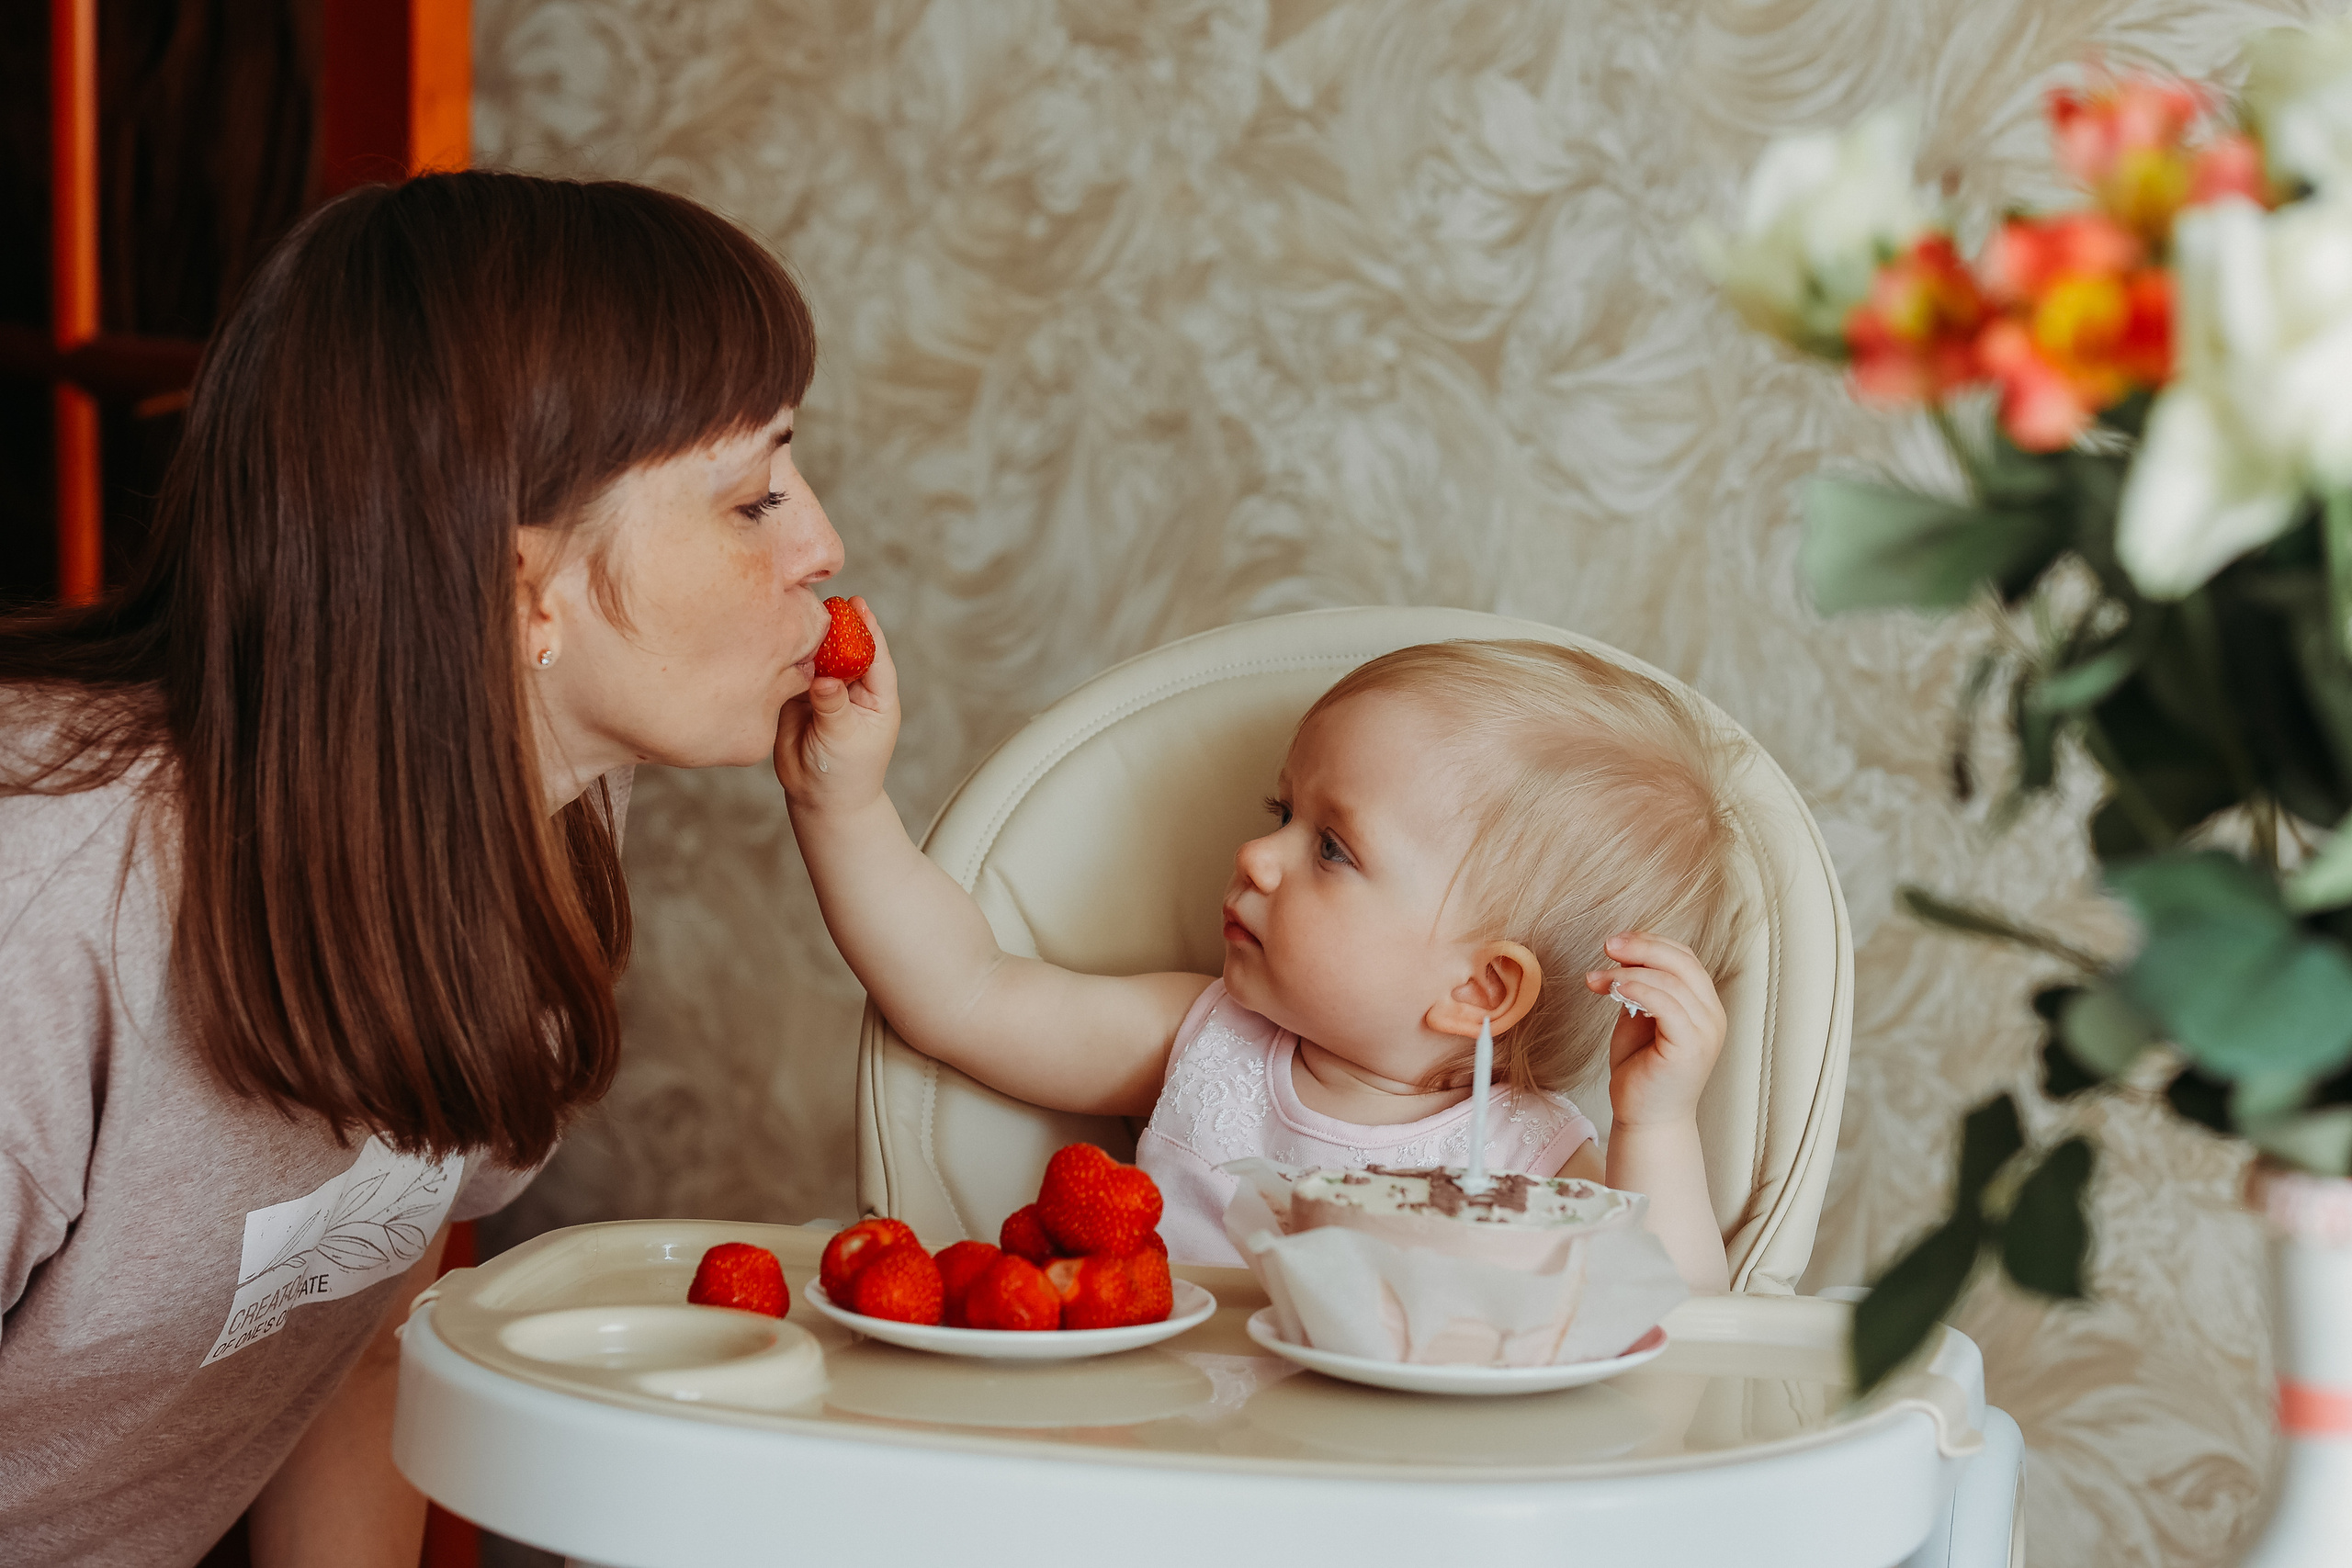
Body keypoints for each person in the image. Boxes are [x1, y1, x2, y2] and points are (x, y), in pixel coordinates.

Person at [0, 171, 844, 1567]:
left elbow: (356, 1323)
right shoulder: (45, 901)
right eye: (754, 498)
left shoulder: (542, 800)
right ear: (522, 590)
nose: (821, 543)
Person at [782, 630, 1744, 1290]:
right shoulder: (1207, 1042)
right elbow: (963, 993)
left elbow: (1674, 1321)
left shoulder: (1529, 1158)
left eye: (1330, 847)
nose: (1255, 855)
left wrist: (1655, 1123)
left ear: (1480, 988)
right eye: (1282, 813)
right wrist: (843, 805)